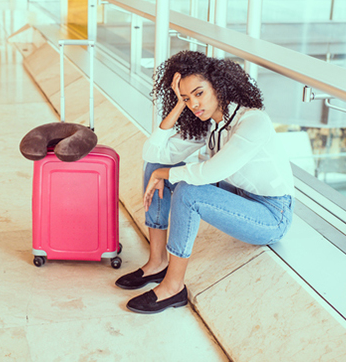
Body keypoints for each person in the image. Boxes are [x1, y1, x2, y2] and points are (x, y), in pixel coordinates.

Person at [115, 50, 295, 314]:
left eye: (199, 93)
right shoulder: (211, 123)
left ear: (219, 87)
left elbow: (211, 172)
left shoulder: (253, 122)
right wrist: (178, 105)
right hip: (235, 195)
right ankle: (157, 262)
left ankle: (173, 288)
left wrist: (165, 176)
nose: (194, 104)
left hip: (270, 215)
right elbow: (152, 154)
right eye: (187, 98)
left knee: (188, 191)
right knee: (158, 166)